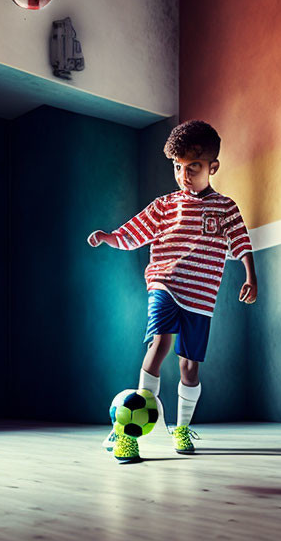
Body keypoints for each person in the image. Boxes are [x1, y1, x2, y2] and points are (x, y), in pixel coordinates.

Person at [87, 120, 258, 462]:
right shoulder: (166, 205)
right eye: (177, 167)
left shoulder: (225, 208)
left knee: (189, 368)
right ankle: (129, 434)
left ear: (213, 167)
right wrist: (109, 237)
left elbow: (241, 243)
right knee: (160, 343)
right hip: (165, 284)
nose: (183, 175)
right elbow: (135, 231)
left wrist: (251, 277)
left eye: (192, 167)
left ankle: (180, 429)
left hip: (201, 298)